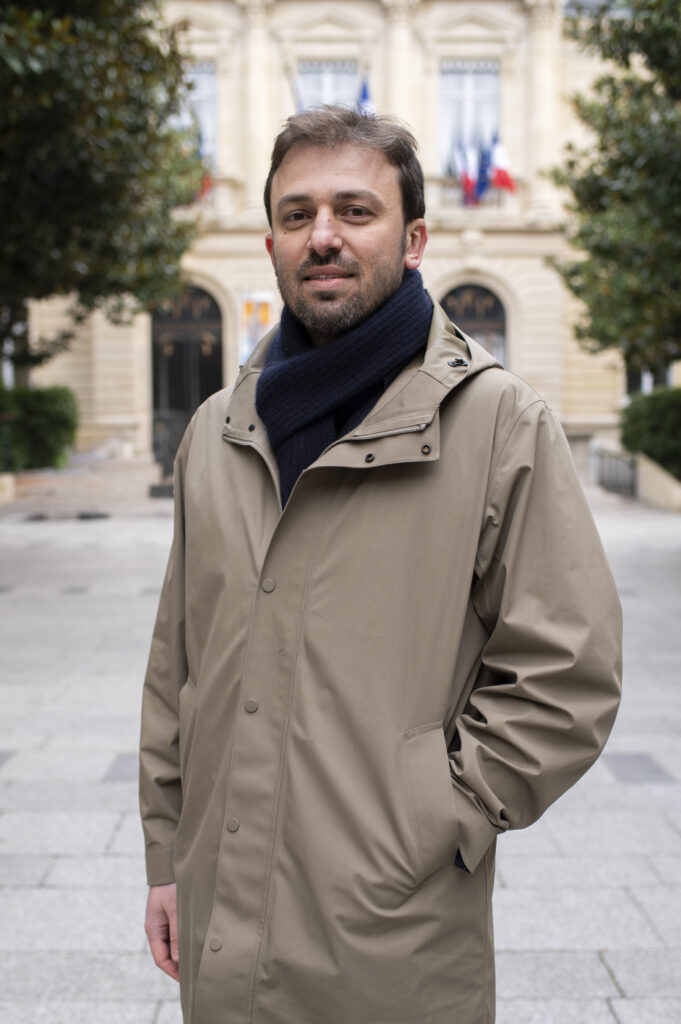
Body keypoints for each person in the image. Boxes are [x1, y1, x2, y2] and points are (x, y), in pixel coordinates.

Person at [139, 106, 622, 1024]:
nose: (322, 236)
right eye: (296, 214)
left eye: (354, 211)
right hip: (218, 918)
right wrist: (169, 857)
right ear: (272, 243)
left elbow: (568, 672)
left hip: (394, 941)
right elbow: (177, 668)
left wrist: (432, 817)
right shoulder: (215, 431)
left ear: (413, 240)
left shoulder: (498, 422)